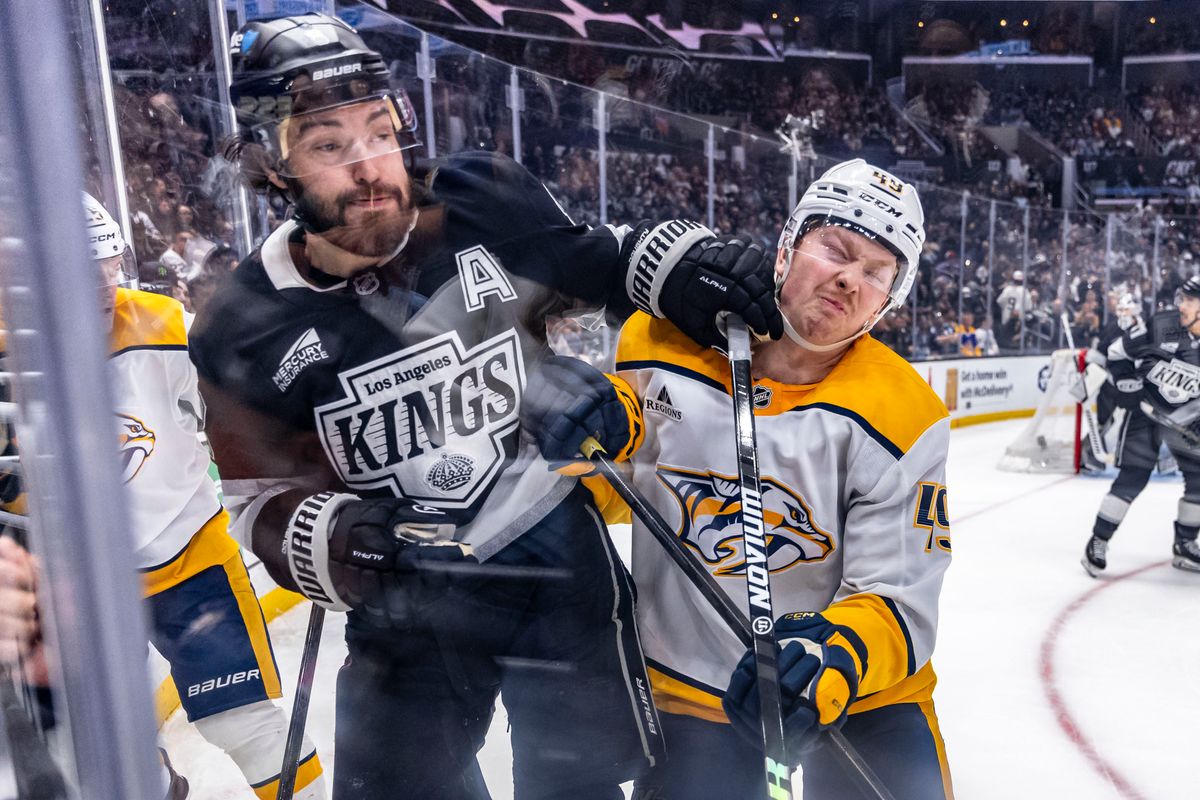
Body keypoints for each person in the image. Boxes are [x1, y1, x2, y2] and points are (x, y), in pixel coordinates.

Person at [187, 14, 782, 800]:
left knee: (579, 789)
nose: (371, 168)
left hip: (553, 555)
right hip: (408, 597)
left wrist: (683, 265)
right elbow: (254, 496)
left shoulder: (480, 203)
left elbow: (600, 260)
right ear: (272, 165)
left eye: (379, 132)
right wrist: (341, 536)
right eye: (328, 145)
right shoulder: (242, 325)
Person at [523, 159, 953, 798]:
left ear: (889, 300)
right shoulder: (661, 338)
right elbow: (621, 497)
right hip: (695, 682)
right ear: (788, 246)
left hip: (857, 687)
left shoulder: (904, 412)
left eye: (876, 272)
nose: (849, 279)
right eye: (836, 249)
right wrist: (593, 436)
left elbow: (898, 595)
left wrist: (833, 657)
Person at [90, 193, 327, 799]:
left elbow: (243, 408)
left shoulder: (162, 324)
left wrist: (298, 441)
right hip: (74, 588)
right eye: (82, 270)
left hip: (188, 554)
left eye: (109, 265)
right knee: (99, 748)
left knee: (244, 723)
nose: (103, 284)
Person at [1083, 277, 1200, 576]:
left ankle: (1185, 544)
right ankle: (1098, 541)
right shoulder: (1162, 325)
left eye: (1190, 300)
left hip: (1187, 421)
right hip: (1145, 416)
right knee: (1132, 477)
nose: (1182, 305)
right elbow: (1116, 353)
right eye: (1183, 298)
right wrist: (1126, 383)